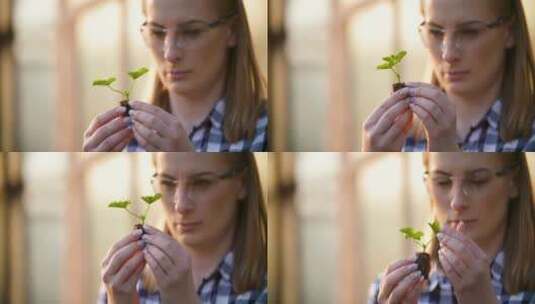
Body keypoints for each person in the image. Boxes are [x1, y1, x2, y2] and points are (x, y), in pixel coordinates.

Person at [83, 0, 268, 152]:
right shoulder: (123, 136)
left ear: (232, 31)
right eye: (156, 32)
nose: (170, 54)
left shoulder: (267, 131)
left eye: (191, 32)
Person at [362, 0, 535, 152]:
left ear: (510, 32)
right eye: (435, 32)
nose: (448, 55)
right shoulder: (400, 139)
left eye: (469, 32)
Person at [98, 153, 267, 303]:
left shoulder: (270, 285)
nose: (181, 206)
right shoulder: (126, 280)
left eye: (202, 183)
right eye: (167, 183)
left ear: (242, 183)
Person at [368, 152, 535, 303]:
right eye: (442, 182)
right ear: (427, 186)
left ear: (514, 181)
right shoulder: (391, 291)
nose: (457, 202)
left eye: (478, 181)